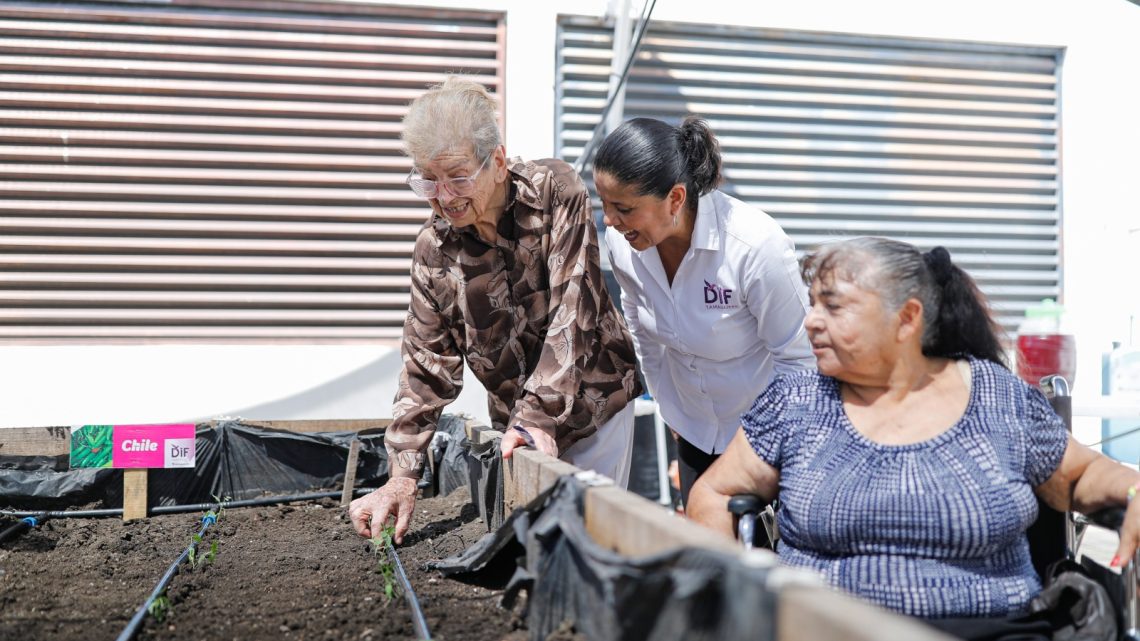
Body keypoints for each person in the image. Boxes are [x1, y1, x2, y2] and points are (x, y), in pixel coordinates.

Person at [688, 236, 1140, 625]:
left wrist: (1134, 490)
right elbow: (714, 494)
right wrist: (740, 603)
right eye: (812, 304)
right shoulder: (797, 401)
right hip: (824, 629)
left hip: (989, 629)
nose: (810, 320)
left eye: (833, 305)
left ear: (907, 318)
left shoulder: (997, 398)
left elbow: (1080, 475)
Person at [349, 77, 642, 543]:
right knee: (530, 549)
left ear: (498, 162)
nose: (444, 197)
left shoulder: (555, 192)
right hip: (516, 427)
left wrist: (538, 416)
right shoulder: (434, 249)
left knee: (591, 543)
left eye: (459, 177)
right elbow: (426, 366)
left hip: (593, 404)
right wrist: (402, 474)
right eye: (428, 180)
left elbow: (574, 312)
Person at [594, 116, 815, 506]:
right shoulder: (623, 244)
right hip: (693, 432)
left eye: (623, 208)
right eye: (605, 205)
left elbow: (800, 363)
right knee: (707, 554)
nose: (610, 221)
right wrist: (670, 410)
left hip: (764, 438)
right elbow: (641, 327)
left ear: (675, 199)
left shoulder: (753, 246)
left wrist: (767, 445)